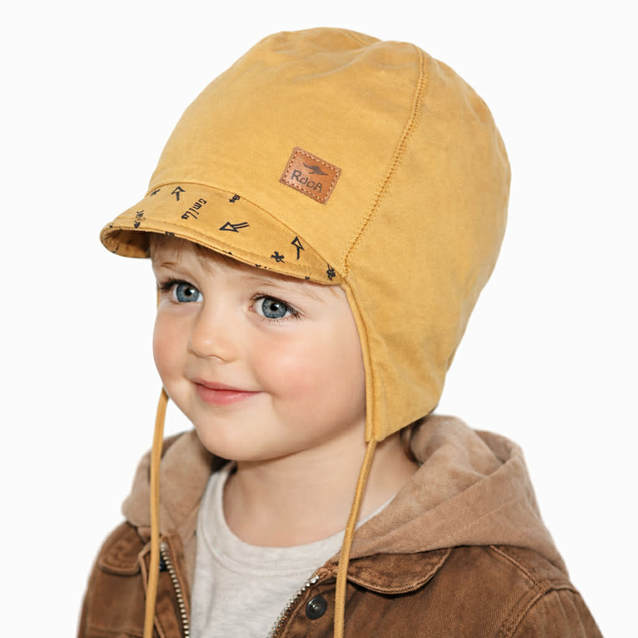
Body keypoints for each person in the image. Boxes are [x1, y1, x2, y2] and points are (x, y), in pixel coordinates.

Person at [78, 27, 602, 638]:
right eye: (182, 290)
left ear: (399, 332)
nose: (205, 341)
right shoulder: (132, 560)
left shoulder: (503, 610)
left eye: (272, 305)